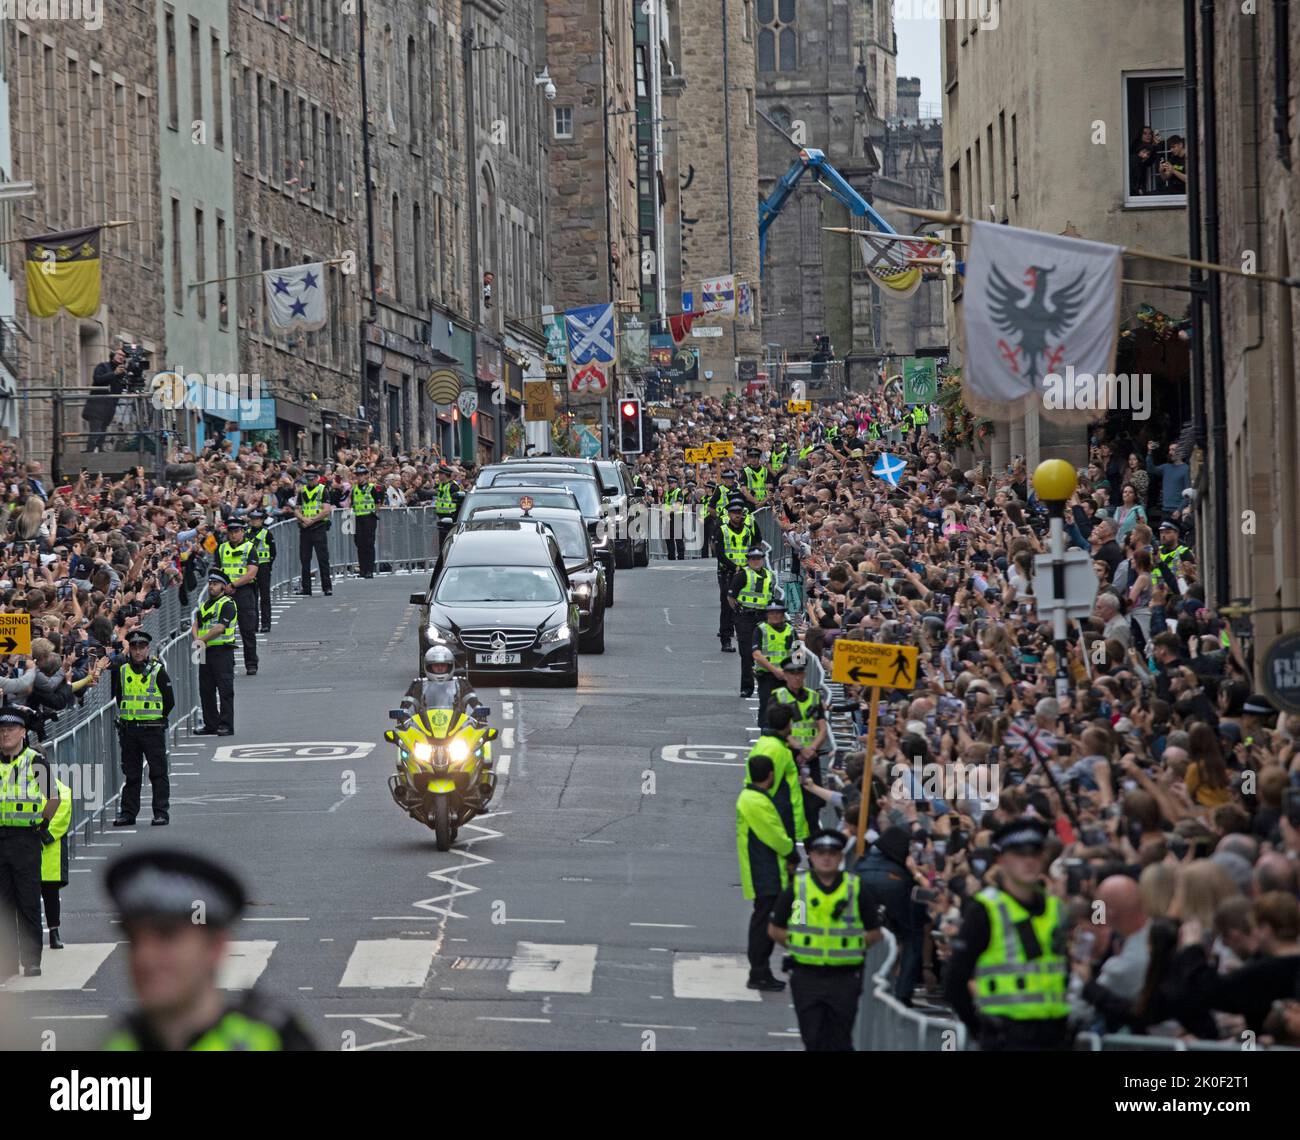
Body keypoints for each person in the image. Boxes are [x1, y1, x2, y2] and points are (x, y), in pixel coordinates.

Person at [102, 849, 315, 1050]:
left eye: (167, 935)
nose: (144, 957)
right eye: (134, 939)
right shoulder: (117, 1044)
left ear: (216, 946)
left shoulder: (273, 1042)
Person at [942, 817, 1071, 1050]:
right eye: (1020, 854)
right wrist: (981, 1030)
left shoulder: (1055, 908)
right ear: (1002, 860)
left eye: (1035, 853)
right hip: (1007, 1037)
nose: (1029, 861)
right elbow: (954, 981)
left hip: (1055, 1036)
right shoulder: (985, 909)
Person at [769, 828, 883, 1050]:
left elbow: (874, 932)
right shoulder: (800, 890)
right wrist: (800, 945)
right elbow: (777, 929)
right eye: (820, 852)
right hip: (806, 975)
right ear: (810, 856)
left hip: (844, 977)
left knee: (840, 1038)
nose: (826, 857)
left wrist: (851, 947)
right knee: (813, 1037)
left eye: (832, 853)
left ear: (841, 857)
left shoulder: (855, 889)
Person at [0, 704, 59, 979]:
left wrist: (42, 825)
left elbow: (53, 798)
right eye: (1, 730)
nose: (4, 735)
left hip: (25, 839)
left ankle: (32, 960)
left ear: (23, 732)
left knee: (27, 901)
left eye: (10, 730)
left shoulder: (35, 760)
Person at [736, 750, 796, 992]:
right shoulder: (755, 800)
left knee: (764, 919)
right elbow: (774, 835)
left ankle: (761, 970)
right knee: (764, 922)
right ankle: (759, 971)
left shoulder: (754, 797)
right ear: (770, 775)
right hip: (765, 869)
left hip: (766, 867)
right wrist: (792, 851)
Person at [111, 629, 175, 827]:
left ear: (148, 649)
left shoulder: (158, 670)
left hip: (152, 730)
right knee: (131, 774)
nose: (138, 652)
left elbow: (169, 701)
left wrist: (157, 718)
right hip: (130, 731)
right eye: (134, 648)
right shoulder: (123, 671)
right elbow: (120, 698)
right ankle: (128, 813)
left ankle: (161, 812)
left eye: (141, 648)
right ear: (129, 650)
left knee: (158, 772)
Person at [774, 649, 829, 835]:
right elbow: (777, 728)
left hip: (810, 757)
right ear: (786, 675)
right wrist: (799, 749)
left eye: (799, 674)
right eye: (792, 674)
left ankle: (811, 844)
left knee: (812, 805)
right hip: (788, 756)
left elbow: (822, 728)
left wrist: (811, 749)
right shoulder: (778, 697)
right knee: (784, 801)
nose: (797, 678)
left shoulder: (814, 697)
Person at [744, 703, 807, 842]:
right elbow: (767, 786)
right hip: (777, 819)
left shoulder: (771, 745)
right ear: (787, 724)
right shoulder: (776, 750)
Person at [192, 569, 237, 737]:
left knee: (225, 689)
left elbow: (220, 628)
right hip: (205, 650)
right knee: (206, 689)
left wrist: (201, 640)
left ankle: (226, 725)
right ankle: (211, 723)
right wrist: (197, 639)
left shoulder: (227, 603)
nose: (211, 587)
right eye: (210, 584)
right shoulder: (205, 605)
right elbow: (195, 624)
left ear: (223, 587)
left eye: (215, 584)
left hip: (222, 651)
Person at [729, 546, 774, 698]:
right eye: (753, 559)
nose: (756, 561)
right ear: (748, 560)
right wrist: (738, 613)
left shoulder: (769, 575)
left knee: (766, 652)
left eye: (758, 558)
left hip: (763, 617)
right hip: (745, 617)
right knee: (747, 653)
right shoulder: (742, 575)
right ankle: (746, 687)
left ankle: (766, 683)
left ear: (762, 559)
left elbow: (771, 596)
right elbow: (731, 596)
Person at [217, 516, 259, 676]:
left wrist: (234, 585)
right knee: (226, 630)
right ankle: (229, 662)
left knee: (247, 629)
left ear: (242, 532)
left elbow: (252, 573)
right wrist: (224, 587)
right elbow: (217, 571)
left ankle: (251, 663)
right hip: (225, 594)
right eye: (231, 532)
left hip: (244, 592)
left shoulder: (249, 548)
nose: (233, 535)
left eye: (236, 531)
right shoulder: (221, 549)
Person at [716, 497, 756, 652]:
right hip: (728, 572)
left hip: (745, 573)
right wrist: (734, 567)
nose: (737, 515)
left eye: (739, 512)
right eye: (734, 513)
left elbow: (752, 550)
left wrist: (748, 567)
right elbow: (720, 554)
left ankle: (744, 635)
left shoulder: (747, 530)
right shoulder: (722, 530)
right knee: (727, 607)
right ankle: (725, 640)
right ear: (729, 514)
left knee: (744, 605)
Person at [751, 599, 795, 727]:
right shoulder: (761, 629)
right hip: (767, 676)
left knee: (787, 708)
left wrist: (795, 672)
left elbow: (798, 653)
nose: (775, 615)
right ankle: (766, 736)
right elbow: (756, 654)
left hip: (787, 677)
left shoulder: (790, 630)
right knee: (767, 706)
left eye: (778, 613)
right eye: (772, 613)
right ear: (767, 614)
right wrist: (775, 671)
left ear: (783, 614)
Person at [40, 775, 72, 950]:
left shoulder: (59, 788)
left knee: (50, 895)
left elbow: (62, 812)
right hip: (26, 850)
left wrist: (45, 833)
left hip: (50, 852)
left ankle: (54, 932)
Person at [294, 468, 333, 597]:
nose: (310, 482)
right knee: (304, 559)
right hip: (305, 528)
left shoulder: (323, 490)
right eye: (308, 480)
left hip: (319, 528)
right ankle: (306, 588)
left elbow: (326, 510)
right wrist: (304, 519)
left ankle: (327, 587)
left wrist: (312, 520)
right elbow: (297, 510)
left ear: (317, 478)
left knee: (323, 559)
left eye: (312, 479)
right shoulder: (302, 491)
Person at [1145, 441, 1190, 523]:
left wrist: (1179, 510)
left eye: (1173, 450)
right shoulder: (1166, 467)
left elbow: (1188, 493)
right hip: (1165, 510)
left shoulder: (1186, 469)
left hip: (1177, 511)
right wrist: (1149, 452)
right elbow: (1151, 469)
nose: (1170, 452)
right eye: (1170, 450)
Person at [248, 508, 276, 633]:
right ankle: (253, 624)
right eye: (253, 519)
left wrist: (268, 565)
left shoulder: (267, 533)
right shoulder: (246, 534)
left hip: (263, 567)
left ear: (262, 520)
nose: (255, 522)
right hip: (250, 569)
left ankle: (266, 624)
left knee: (265, 597)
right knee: (252, 598)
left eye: (257, 519)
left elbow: (273, 552)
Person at [351, 464, 381, 578]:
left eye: (361, 475)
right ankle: (362, 569)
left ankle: (369, 570)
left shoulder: (371, 487)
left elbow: (378, 502)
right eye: (357, 475)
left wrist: (374, 512)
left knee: (369, 544)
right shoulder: (354, 489)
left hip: (369, 518)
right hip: (358, 518)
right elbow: (352, 503)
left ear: (366, 476)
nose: (359, 477)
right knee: (359, 544)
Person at [661, 474, 685, 560]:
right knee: (668, 537)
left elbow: (678, 505)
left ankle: (681, 556)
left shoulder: (678, 492)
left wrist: (668, 512)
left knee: (678, 537)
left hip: (677, 516)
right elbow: (664, 504)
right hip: (668, 517)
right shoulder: (667, 492)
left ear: (675, 484)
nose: (670, 484)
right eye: (669, 483)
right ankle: (671, 556)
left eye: (672, 483)